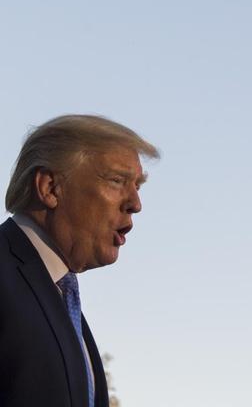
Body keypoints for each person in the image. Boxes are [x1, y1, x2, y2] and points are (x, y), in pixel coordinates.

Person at [0, 115, 159, 407]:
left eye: (138, 186)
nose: (136, 203)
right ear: (50, 187)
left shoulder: (62, 296)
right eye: (116, 180)